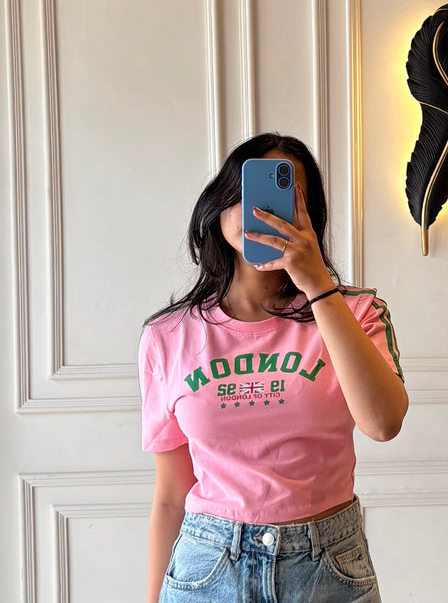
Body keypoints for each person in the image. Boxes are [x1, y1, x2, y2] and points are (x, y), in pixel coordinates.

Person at [138, 133, 408, 603]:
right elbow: (170, 495)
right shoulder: (168, 335)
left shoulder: (358, 313)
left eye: (282, 195)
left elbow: (383, 424)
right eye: (247, 190)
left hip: (327, 568)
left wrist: (317, 284)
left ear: (308, 216)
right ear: (219, 203)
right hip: (206, 568)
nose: (259, 209)